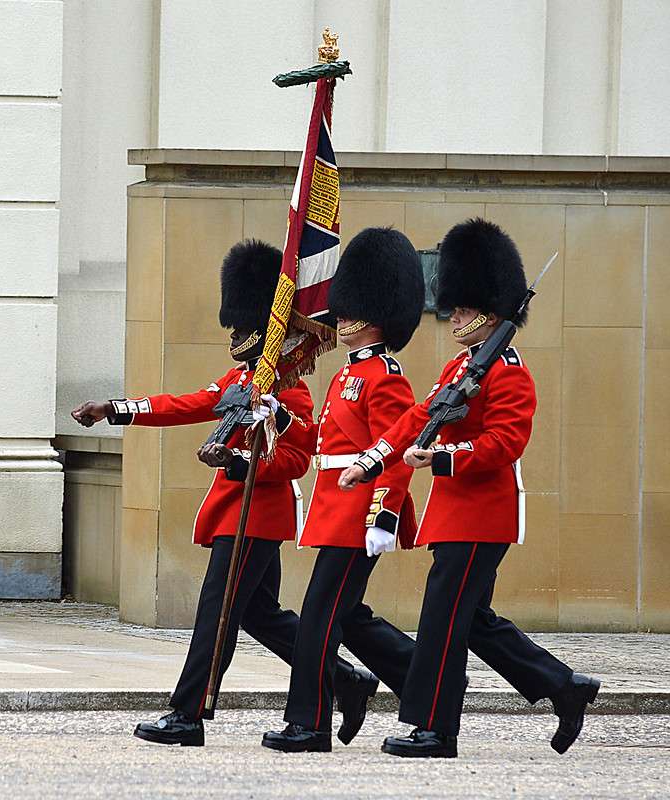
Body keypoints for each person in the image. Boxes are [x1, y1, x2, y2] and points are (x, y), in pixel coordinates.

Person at [71, 239, 376, 747]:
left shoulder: (288, 386)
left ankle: (188, 713)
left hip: (255, 516)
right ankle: (344, 676)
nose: (234, 334)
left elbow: (296, 458)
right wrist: (114, 409)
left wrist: (237, 458)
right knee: (261, 615)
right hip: (239, 515)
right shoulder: (242, 378)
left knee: (216, 616)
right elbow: (184, 404)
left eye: (241, 325)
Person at [339, 218, 600, 759]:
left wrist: (445, 458)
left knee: (442, 618)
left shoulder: (507, 371)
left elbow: (506, 442)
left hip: (482, 513)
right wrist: (375, 457)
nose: (452, 313)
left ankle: (436, 728)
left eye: (460, 307)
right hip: (454, 513)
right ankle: (562, 686)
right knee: (472, 619)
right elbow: (418, 417)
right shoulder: (462, 366)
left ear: (489, 308)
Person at [261, 227, 426, 753]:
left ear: (375, 314)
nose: (341, 318)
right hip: (334, 504)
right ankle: (425, 681)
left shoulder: (386, 376)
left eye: (352, 310)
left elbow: (394, 451)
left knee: (319, 618)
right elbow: (323, 443)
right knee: (343, 615)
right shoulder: (345, 374)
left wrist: (385, 515)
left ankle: (309, 724)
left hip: (358, 511)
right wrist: (280, 416)